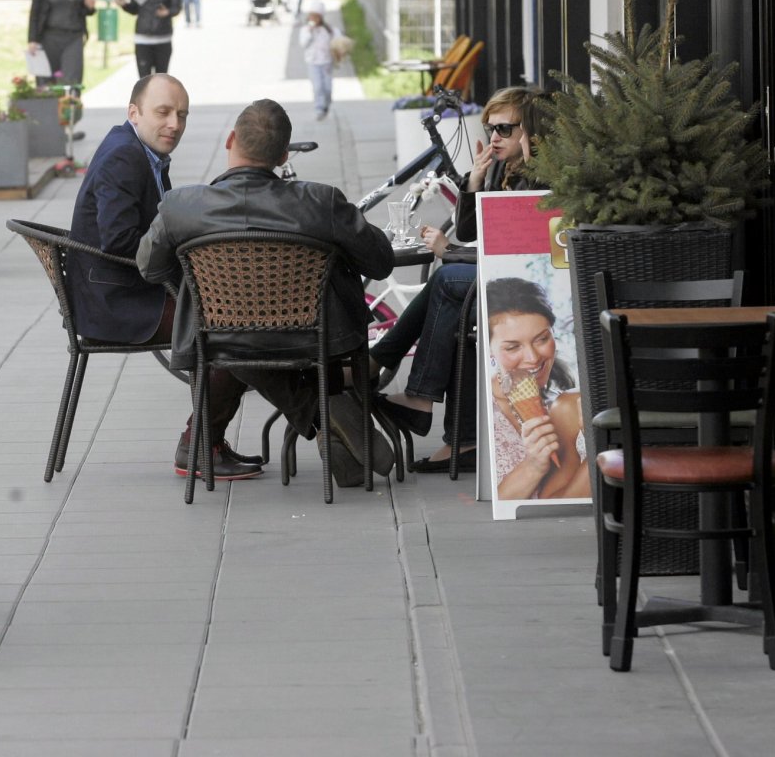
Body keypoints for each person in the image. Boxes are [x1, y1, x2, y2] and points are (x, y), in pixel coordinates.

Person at [137, 99, 397, 487]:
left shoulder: (181, 207)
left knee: (234, 333)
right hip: (314, 336)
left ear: (230, 140)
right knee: (251, 333)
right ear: (281, 156)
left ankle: (318, 414)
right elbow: (380, 262)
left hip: (219, 335)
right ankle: (327, 409)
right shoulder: (320, 202)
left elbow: (149, 267)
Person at [68, 74, 258, 480]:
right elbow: (120, 240)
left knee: (237, 318)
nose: (175, 123)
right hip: (116, 303)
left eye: (182, 115)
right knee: (231, 329)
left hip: (125, 289)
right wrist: (187, 256)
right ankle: (200, 443)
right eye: (164, 112)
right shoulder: (124, 156)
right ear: (133, 112)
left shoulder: (140, 150)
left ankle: (211, 439)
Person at [368, 86, 552, 473]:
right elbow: (472, 232)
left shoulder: (544, 173)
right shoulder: (503, 167)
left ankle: (402, 383)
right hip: (502, 274)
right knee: (450, 296)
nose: (494, 138)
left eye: (505, 129)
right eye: (490, 128)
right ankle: (458, 438)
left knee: (449, 279)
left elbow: (516, 251)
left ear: (530, 130)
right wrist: (475, 181)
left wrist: (447, 252)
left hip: (528, 281)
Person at [484, 276, 588, 500]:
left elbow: (560, 499)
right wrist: (533, 465)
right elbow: (487, 505)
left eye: (542, 339)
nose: (532, 358)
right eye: (512, 347)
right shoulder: (483, 413)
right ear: (489, 349)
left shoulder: (565, 403)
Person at [298, 11, 334, 119]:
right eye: (312, 16)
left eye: (316, 16)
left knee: (327, 87)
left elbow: (336, 41)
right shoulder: (305, 30)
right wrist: (310, 32)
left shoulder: (327, 29)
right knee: (317, 86)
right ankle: (319, 108)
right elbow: (303, 44)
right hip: (313, 62)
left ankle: (326, 104)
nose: (314, 19)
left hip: (326, 61)